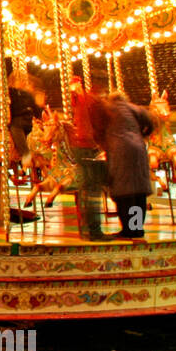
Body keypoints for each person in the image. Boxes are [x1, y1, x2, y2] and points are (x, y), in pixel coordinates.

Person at [101, 93, 155, 239]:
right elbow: (151, 121)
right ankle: (137, 228)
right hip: (139, 148)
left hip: (119, 149)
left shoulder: (108, 109)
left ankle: (128, 229)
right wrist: (143, 134)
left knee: (124, 193)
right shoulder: (134, 108)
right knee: (138, 192)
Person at [68, 77, 109, 239]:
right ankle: (94, 229)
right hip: (89, 146)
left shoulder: (80, 101)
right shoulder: (93, 101)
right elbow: (101, 126)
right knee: (93, 189)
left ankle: (85, 228)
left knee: (87, 188)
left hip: (78, 145)